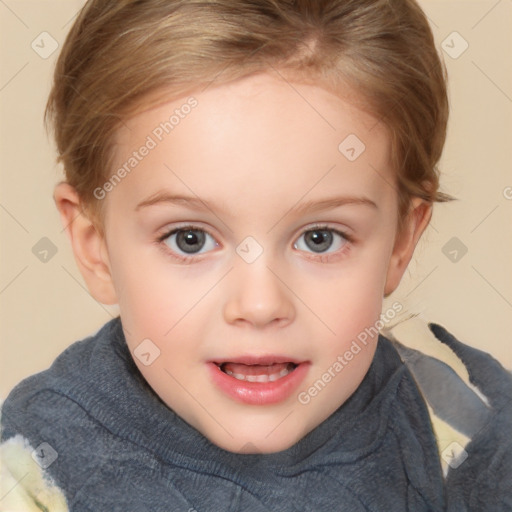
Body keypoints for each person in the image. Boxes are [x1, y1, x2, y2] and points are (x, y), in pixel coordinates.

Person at [1, 0, 510, 510]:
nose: (261, 304)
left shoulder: (462, 416)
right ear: (96, 248)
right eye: (189, 239)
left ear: (401, 241)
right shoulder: (32, 471)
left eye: (320, 238)